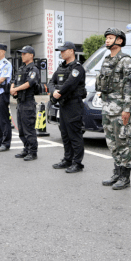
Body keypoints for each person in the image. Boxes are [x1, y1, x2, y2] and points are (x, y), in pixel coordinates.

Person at [97, 28, 131, 190]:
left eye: (111, 38)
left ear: (119, 41)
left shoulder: (125, 60)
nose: (107, 40)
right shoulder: (106, 59)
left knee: (123, 142)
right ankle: (117, 172)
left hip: (119, 109)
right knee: (112, 142)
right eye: (106, 38)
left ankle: (125, 177)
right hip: (107, 107)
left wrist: (127, 109)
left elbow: (129, 86)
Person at [49, 41, 87, 174]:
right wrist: (54, 91)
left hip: (73, 104)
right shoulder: (60, 68)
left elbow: (70, 83)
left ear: (71, 51)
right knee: (65, 133)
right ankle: (67, 159)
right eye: (61, 51)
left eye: (64, 50)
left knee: (74, 134)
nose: (61, 53)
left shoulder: (77, 68)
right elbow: (51, 82)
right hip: (63, 104)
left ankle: (77, 163)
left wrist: (58, 93)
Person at [10, 46, 40, 161]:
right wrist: (12, 88)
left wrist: (15, 89)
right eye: (21, 54)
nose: (22, 55)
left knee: (29, 129)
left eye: (24, 53)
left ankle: (33, 152)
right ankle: (26, 149)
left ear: (31, 55)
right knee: (21, 129)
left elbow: (29, 83)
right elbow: (14, 80)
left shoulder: (33, 69)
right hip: (20, 102)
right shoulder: (21, 68)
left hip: (28, 102)